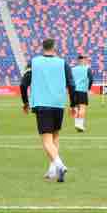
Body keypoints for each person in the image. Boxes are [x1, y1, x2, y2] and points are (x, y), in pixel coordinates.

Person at [20, 39, 74, 182]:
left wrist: (25, 102)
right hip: (58, 104)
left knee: (46, 140)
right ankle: (52, 170)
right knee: (55, 136)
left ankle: (60, 165)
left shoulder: (34, 62)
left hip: (43, 104)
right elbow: (71, 85)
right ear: (54, 47)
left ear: (42, 47)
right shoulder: (63, 63)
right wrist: (73, 105)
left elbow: (23, 84)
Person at [71, 55, 93, 132]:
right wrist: (89, 89)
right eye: (86, 59)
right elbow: (91, 79)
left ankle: (77, 124)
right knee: (82, 107)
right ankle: (80, 125)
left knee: (76, 107)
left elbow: (69, 79)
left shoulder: (73, 69)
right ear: (83, 60)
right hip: (82, 90)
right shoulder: (87, 69)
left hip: (73, 91)